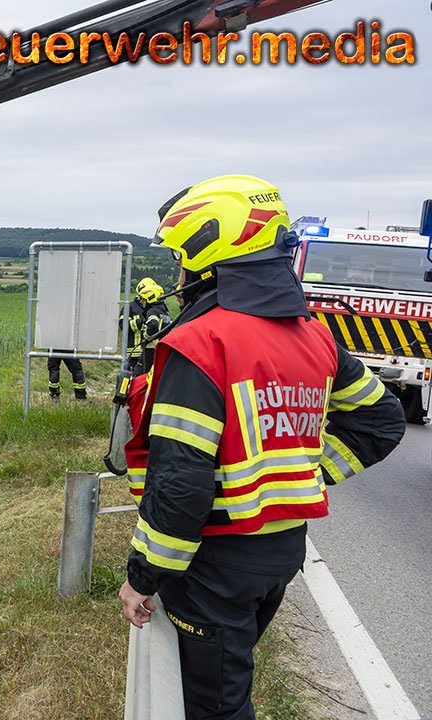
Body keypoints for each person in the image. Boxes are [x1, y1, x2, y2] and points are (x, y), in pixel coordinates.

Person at [116, 174, 405, 720]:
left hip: (214, 561)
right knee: (225, 687)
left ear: (208, 255)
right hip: (281, 552)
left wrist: (142, 577)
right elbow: (382, 420)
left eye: (180, 260)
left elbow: (181, 486)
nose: (178, 275)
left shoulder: (202, 342)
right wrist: (302, 476)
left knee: (216, 707)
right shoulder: (312, 334)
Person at [122, 277, 172, 375]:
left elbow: (153, 325)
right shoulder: (166, 314)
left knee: (138, 376)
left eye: (143, 299)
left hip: (149, 352)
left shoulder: (152, 311)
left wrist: (146, 337)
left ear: (149, 298)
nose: (142, 302)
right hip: (162, 352)